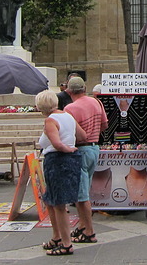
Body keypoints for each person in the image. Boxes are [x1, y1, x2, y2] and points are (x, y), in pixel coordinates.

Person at [36, 90, 85, 257]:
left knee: (59, 203)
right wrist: (71, 144)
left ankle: (66, 243)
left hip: (57, 161)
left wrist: (67, 148)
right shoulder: (68, 116)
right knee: (51, 199)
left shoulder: (50, 120)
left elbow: (57, 144)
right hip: (70, 161)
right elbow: (82, 135)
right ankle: (57, 237)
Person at [65, 76, 108, 244]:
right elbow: (105, 124)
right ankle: (82, 225)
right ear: (84, 88)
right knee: (84, 189)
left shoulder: (70, 108)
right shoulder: (96, 102)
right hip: (94, 148)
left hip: (80, 149)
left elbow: (68, 132)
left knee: (81, 195)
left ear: (69, 91)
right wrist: (94, 130)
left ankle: (89, 231)